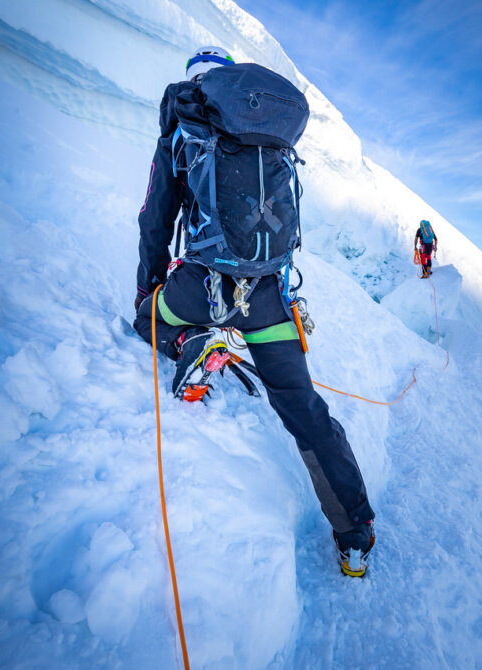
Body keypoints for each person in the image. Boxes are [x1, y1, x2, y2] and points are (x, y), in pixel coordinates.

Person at [131, 46, 375, 576]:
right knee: (303, 407)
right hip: (267, 298)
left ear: (194, 84)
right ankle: (354, 531)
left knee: (146, 319)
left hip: (198, 288)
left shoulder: (184, 127)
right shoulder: (266, 134)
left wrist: (149, 288)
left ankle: (192, 343)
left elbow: (156, 217)